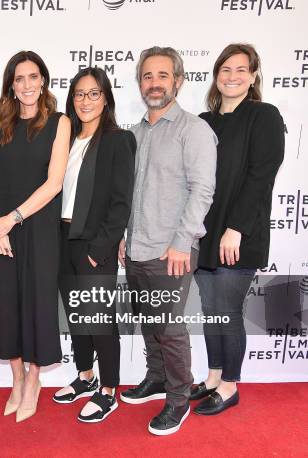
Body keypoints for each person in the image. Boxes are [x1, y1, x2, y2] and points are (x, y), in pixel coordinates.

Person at [118, 46, 217, 435]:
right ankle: (157, 378)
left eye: (162, 75)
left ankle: (178, 400)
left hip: (171, 251)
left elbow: (202, 190)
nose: (154, 83)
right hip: (139, 247)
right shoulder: (134, 133)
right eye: (147, 76)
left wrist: (182, 242)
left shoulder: (193, 130)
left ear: (178, 80)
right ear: (140, 82)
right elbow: (130, 194)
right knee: (149, 322)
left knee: (170, 328)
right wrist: (125, 238)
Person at [190, 44, 285, 415]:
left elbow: (262, 175)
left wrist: (235, 228)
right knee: (212, 310)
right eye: (225, 69)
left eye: (241, 69)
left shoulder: (263, 116)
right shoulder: (204, 121)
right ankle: (213, 377)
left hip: (238, 234)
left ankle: (230, 385)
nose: (232, 76)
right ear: (216, 75)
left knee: (227, 309)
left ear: (254, 75)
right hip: (204, 233)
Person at [0, 50, 71, 423]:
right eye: (19, 79)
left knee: (36, 304)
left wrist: (11, 219)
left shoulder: (60, 122)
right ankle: (17, 379)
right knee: (5, 305)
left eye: (33, 76)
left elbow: (54, 184)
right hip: (2, 229)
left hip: (38, 228)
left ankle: (34, 380)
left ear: (44, 81)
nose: (27, 84)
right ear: (11, 86)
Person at [52, 67, 136, 423]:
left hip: (93, 243)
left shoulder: (118, 139)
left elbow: (121, 202)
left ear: (106, 98)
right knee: (76, 316)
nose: (86, 101)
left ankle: (108, 390)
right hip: (61, 239)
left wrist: (100, 248)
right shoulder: (66, 139)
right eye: (79, 94)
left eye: (94, 93)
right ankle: (85, 377)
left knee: (99, 319)